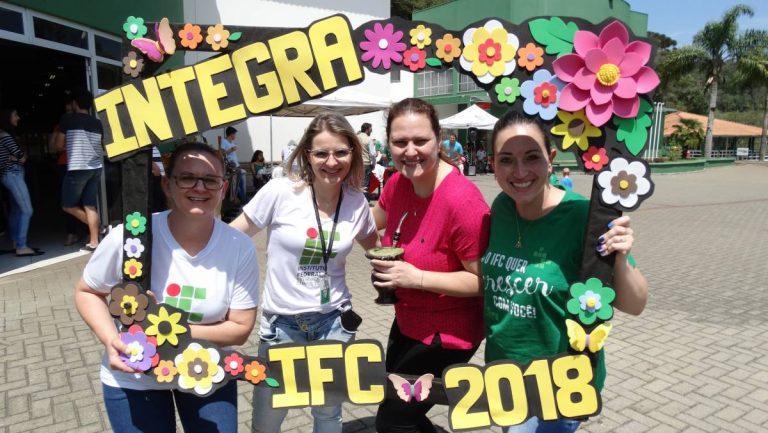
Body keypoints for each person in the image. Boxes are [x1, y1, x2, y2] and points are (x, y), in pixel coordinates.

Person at [75, 142, 260, 433]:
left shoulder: (238, 246)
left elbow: (240, 328)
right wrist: (111, 340)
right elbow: (88, 291)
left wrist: (163, 327)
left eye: (210, 180)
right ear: (167, 184)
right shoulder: (130, 236)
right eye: (187, 177)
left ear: (223, 188)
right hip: (135, 375)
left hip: (206, 368)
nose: (199, 187)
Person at [483, 112, 648, 433]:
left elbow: (635, 303)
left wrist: (620, 257)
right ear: (493, 164)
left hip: (559, 383)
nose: (520, 171)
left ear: (551, 158)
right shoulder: (501, 207)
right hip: (505, 374)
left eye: (532, 157)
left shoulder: (584, 216)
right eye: (507, 160)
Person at [230, 113, 379, 433]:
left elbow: (377, 250)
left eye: (341, 152)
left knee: (328, 413)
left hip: (334, 323)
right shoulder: (280, 192)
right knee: (267, 419)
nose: (332, 161)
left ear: (353, 153)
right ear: (307, 155)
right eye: (322, 153)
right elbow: (230, 239)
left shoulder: (356, 202)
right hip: (282, 326)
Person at [370, 98, 490, 433]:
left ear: (438, 139)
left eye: (420, 140)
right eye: (400, 142)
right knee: (397, 408)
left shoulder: (463, 201)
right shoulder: (397, 184)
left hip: (448, 333)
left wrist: (417, 277)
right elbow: (369, 223)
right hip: (407, 321)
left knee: (394, 420)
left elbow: (482, 282)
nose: (410, 151)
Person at [53, 89, 104, 252]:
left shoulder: (68, 119)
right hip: (95, 167)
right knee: (89, 205)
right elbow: (101, 145)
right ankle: (94, 242)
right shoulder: (97, 123)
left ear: (75, 103)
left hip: (77, 167)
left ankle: (99, 228)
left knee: (67, 205)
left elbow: (58, 145)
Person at [0, 108, 41, 257]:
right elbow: (23, 157)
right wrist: (18, 157)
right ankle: (21, 246)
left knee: (16, 210)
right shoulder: (6, 136)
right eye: (15, 115)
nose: (18, 118)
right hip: (13, 174)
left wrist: (14, 157)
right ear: (7, 118)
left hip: (8, 175)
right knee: (27, 209)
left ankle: (15, 242)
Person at [220, 126, 246, 204]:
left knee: (240, 184)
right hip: (231, 167)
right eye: (234, 134)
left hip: (236, 165)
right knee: (236, 184)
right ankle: (242, 200)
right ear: (231, 134)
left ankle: (242, 199)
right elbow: (222, 154)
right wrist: (231, 149)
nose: (235, 136)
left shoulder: (231, 142)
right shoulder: (224, 141)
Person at [357, 122, 376, 197]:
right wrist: (373, 164)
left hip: (356, 164)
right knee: (365, 185)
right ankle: (364, 201)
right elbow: (373, 154)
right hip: (365, 164)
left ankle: (356, 200)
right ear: (367, 129)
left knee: (357, 184)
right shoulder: (368, 140)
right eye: (371, 129)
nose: (371, 131)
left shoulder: (355, 138)